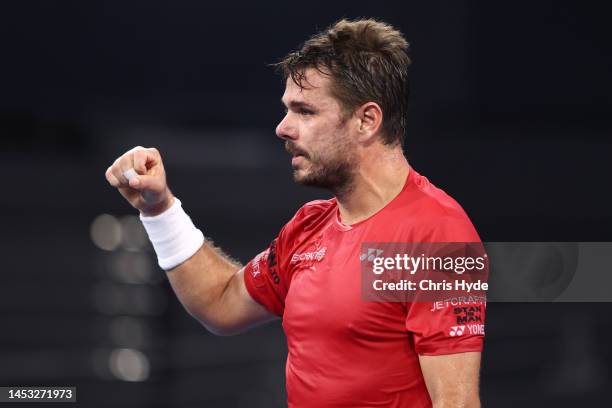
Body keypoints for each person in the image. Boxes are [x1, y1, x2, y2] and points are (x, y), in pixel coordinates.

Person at [105, 18, 485, 408]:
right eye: (287, 110)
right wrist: (159, 207)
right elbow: (219, 302)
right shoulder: (309, 226)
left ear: (367, 120)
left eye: (304, 111)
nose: (283, 128)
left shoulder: (436, 236)